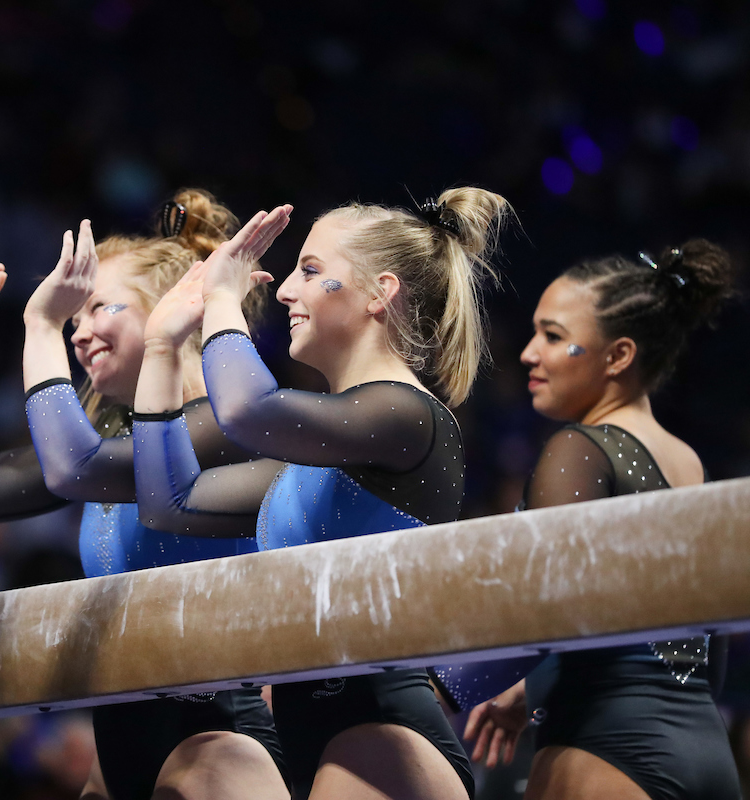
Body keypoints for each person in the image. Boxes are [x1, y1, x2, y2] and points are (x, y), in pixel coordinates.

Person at [0, 190, 291, 800]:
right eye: (72, 320)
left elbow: (71, 469)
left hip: (219, 733)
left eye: (98, 308)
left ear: (169, 309)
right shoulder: (113, 442)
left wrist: (39, 323)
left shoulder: (223, 423)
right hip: (119, 743)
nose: (79, 333)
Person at [130, 189, 511, 799]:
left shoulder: (408, 416)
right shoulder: (319, 454)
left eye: (309, 271)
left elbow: (246, 409)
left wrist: (224, 297)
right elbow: (167, 502)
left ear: (380, 292)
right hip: (315, 738)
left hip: (382, 736)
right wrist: (159, 348)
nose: (283, 290)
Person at [463, 242, 741, 800]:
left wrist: (444, 685)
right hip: (706, 747)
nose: (527, 353)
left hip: (606, 747)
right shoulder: (687, 460)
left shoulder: (579, 449)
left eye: (553, 336)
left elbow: (542, 608)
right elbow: (702, 633)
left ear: (618, 356)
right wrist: (525, 695)